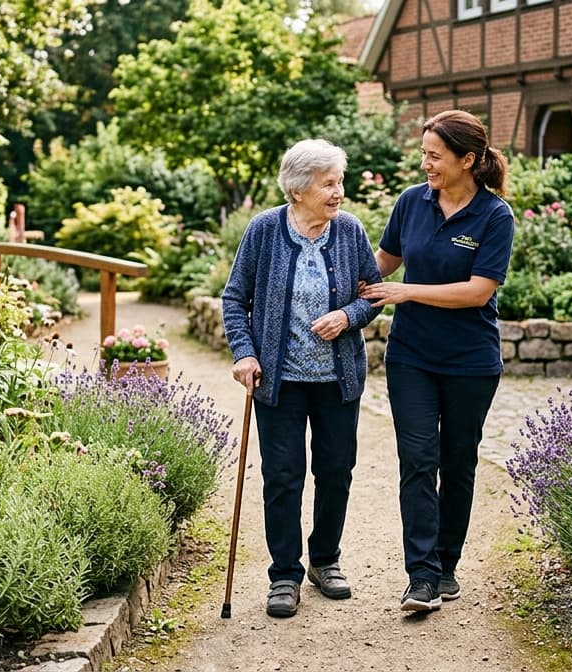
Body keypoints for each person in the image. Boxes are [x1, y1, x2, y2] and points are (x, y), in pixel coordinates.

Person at [360, 110, 515, 613]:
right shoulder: (412, 202)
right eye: (423, 154)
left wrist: (407, 292)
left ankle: (447, 565)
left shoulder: (494, 216)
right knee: (418, 461)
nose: (425, 163)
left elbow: (477, 292)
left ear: (467, 160)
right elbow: (383, 262)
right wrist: (335, 277)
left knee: (458, 463)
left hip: (471, 362)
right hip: (412, 358)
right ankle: (422, 576)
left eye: (434, 155)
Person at [222, 139, 384, 618]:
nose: (338, 192)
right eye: (328, 184)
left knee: (335, 472)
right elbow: (234, 298)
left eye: (340, 182)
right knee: (282, 476)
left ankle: (325, 560)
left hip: (337, 380)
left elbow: (372, 294)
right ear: (297, 190)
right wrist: (245, 354)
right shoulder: (264, 230)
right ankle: (285, 575)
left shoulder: (350, 231)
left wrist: (347, 317)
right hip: (280, 382)